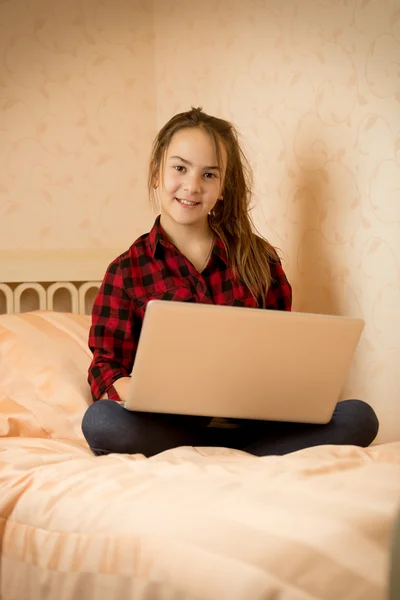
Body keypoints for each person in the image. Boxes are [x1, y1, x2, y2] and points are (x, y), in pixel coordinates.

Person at [82, 107, 379, 457]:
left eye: (209, 175)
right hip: (169, 425)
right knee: (101, 422)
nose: (192, 186)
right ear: (156, 174)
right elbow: (106, 368)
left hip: (256, 424)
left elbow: (285, 354)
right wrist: (158, 393)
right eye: (180, 168)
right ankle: (234, 450)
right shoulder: (126, 271)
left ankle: (242, 449)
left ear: (223, 187)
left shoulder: (261, 259)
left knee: (360, 416)